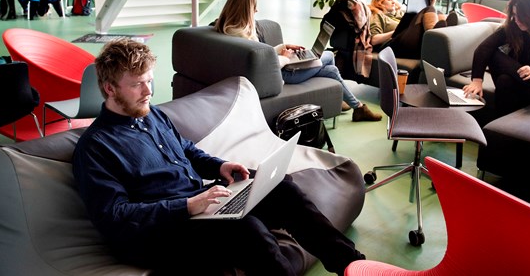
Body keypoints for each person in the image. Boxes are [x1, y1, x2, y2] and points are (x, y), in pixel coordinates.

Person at [72, 39, 366, 275]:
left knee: (281, 188)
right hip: (161, 233)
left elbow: (185, 148)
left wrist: (219, 166)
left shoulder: (152, 114)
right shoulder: (94, 148)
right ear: (110, 89)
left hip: (199, 205)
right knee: (246, 230)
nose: (149, 91)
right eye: (137, 84)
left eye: (149, 80)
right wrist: (187, 206)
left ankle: (353, 265)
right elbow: (114, 216)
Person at [214, 0, 382, 122]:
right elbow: (261, 64)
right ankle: (354, 106)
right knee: (329, 57)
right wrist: (285, 58)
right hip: (283, 74)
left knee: (331, 71)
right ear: (244, 8)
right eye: (253, 6)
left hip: (279, 67)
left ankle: (356, 106)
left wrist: (282, 47)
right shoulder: (242, 35)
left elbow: (260, 55)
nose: (256, 10)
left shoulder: (232, 30)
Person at [368, 0, 459, 59]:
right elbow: (374, 40)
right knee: (429, 9)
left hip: (408, 40)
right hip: (392, 45)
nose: (393, 2)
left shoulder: (400, 13)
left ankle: (443, 33)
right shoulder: (377, 15)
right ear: (379, 2)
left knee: (438, 13)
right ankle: (434, 38)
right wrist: (395, 32)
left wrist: (432, 1)